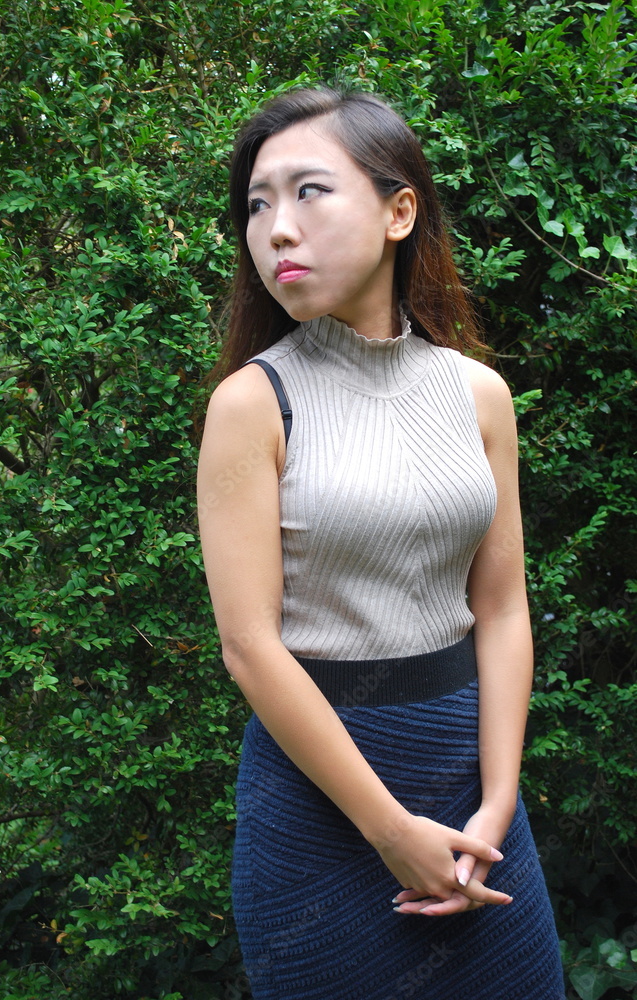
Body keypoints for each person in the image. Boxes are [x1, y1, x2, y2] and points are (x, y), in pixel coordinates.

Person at [197, 87, 565, 1000]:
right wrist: (389, 830)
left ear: (399, 211)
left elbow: (501, 608)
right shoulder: (252, 404)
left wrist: (497, 800)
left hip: (470, 786)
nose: (277, 229)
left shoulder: (477, 395)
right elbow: (249, 646)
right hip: (318, 810)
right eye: (256, 204)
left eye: (308, 191)